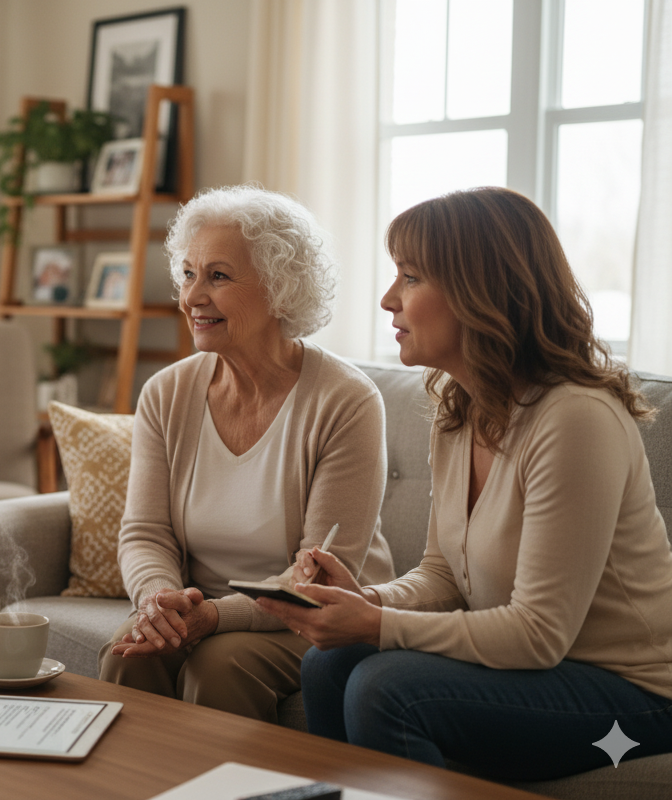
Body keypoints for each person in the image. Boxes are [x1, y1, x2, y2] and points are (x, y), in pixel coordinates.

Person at [260, 186, 672, 780]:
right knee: (330, 662)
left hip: (636, 699)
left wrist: (376, 624)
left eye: (409, 278)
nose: (387, 299)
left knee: (387, 687)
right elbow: (443, 575)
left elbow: (537, 635)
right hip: (547, 673)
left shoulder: (576, 419)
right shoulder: (461, 409)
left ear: (481, 292)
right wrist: (366, 602)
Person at [98, 185, 395, 722]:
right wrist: (157, 601)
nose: (191, 297)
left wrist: (214, 616)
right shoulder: (166, 393)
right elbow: (145, 533)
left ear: (281, 289)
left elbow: (321, 576)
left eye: (217, 275)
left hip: (311, 617)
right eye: (188, 274)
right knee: (131, 653)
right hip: (197, 605)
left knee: (221, 665)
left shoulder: (346, 401)